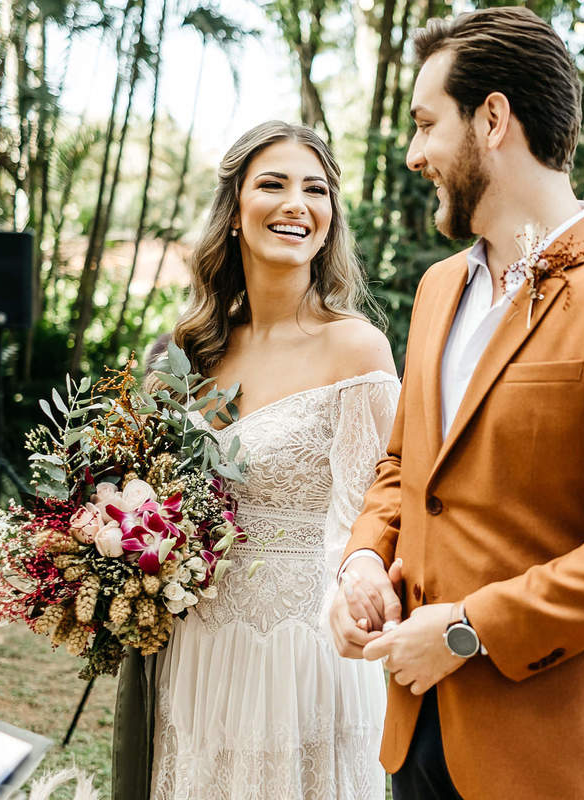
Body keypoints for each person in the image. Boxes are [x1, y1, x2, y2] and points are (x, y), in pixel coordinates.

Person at [327, 9, 584, 799]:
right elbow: (407, 469)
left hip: (556, 751)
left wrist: (472, 631)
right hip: (417, 729)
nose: (414, 153)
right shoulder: (439, 289)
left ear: (493, 119)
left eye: (427, 124)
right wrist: (363, 563)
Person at [140, 122, 399, 799]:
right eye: (273, 184)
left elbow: (378, 510)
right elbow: (154, 494)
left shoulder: (356, 349)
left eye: (316, 189)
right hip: (199, 644)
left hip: (306, 649)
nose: (297, 204)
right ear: (234, 211)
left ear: (330, 219)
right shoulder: (195, 352)